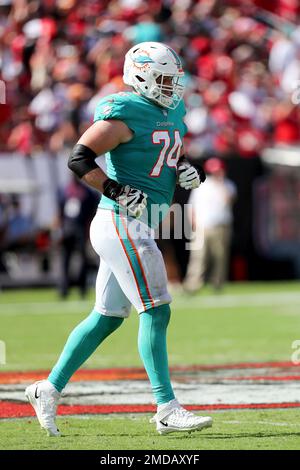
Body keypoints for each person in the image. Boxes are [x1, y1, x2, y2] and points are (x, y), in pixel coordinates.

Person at [25, 42, 212, 436]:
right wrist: (114, 189)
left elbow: (164, 157)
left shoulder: (171, 110)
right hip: (122, 221)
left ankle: (48, 388)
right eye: (162, 79)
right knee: (157, 310)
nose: (170, 87)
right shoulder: (124, 110)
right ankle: (166, 406)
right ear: (140, 76)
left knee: (107, 318)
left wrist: (185, 171)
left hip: (141, 222)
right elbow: (79, 158)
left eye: (172, 79)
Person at [184, 158, 237, 293]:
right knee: (198, 256)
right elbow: (191, 206)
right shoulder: (200, 185)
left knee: (220, 256)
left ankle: (217, 283)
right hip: (202, 226)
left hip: (221, 226)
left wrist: (221, 184)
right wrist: (192, 224)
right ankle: (193, 284)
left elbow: (228, 200)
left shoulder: (228, 185)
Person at [57, 176, 98, 299]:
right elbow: (60, 213)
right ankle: (66, 288)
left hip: (77, 229)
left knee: (81, 260)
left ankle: (79, 288)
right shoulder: (68, 191)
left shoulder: (68, 191)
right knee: (67, 260)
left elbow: (91, 213)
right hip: (71, 229)